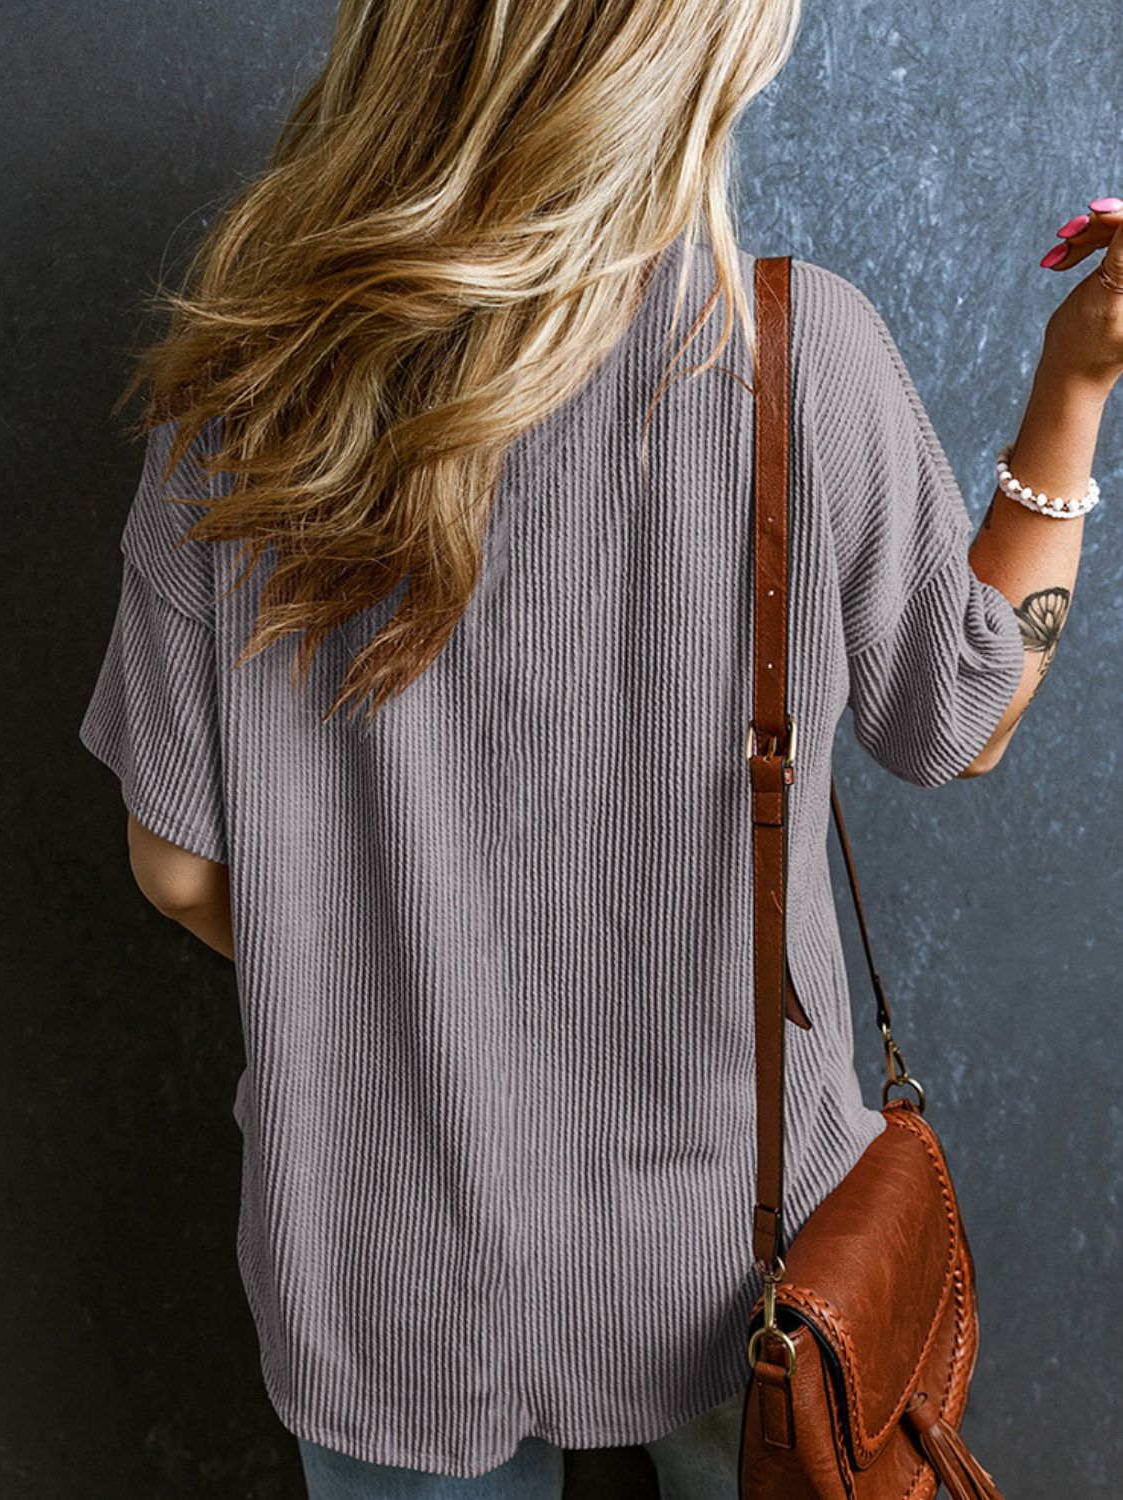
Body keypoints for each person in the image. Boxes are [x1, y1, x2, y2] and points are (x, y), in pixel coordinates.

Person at [75, 0, 1123, 1493]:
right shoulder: (794, 353)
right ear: (683, 64)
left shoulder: (240, 390)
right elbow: (966, 716)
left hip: (383, 1261)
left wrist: (391, 995)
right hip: (748, 1262)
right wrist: (1075, 384)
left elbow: (176, 869)